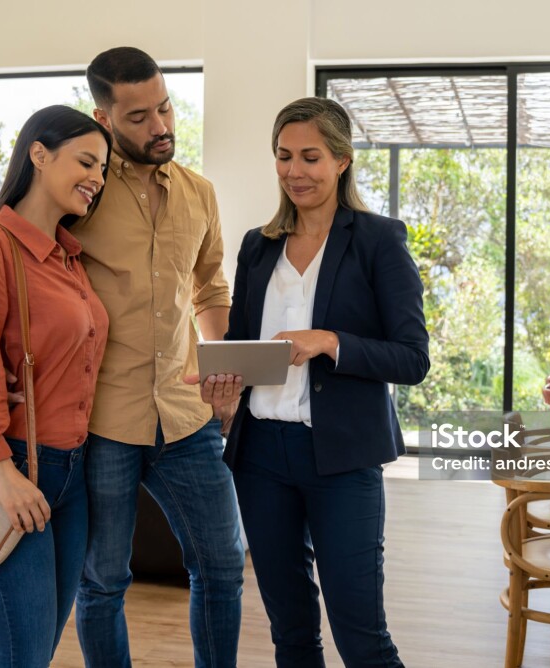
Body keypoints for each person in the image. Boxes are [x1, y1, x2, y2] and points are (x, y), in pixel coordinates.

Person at [196, 97, 429, 667]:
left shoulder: (378, 240)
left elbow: (412, 358)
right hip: (261, 460)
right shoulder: (258, 245)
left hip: (343, 460)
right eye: (283, 157)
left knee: (361, 636)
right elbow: (246, 345)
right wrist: (224, 387)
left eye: (310, 157)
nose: (294, 171)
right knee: (291, 631)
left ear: (342, 161)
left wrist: (329, 340)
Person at [71, 47, 245, 668]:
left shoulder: (200, 192)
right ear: (105, 116)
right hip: (103, 422)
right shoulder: (81, 189)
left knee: (223, 567)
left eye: (166, 108)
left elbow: (209, 286)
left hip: (186, 413)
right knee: (102, 582)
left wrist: (225, 367)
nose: (161, 126)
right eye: (140, 117)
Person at [0, 104, 112, 668]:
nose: (97, 180)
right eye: (86, 161)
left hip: (69, 473)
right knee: (22, 654)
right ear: (38, 152)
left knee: (37, 650)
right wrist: (0, 473)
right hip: (10, 472)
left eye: (103, 170)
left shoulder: (67, 260)